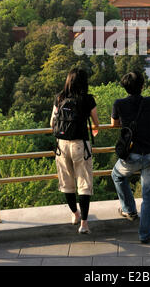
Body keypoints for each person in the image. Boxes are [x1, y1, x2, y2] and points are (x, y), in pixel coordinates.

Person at [111, 71, 150, 243]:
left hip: (131, 155)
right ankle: (144, 234)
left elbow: (114, 124)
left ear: (125, 87)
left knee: (116, 175)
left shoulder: (119, 104)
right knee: (148, 196)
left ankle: (129, 210)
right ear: (142, 86)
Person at [50, 68, 99, 234]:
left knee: (67, 184)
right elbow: (96, 122)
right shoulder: (87, 99)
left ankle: (75, 214)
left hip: (62, 145)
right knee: (84, 185)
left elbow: (52, 123)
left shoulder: (60, 97)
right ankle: (84, 224)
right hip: (80, 145)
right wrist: (95, 130)